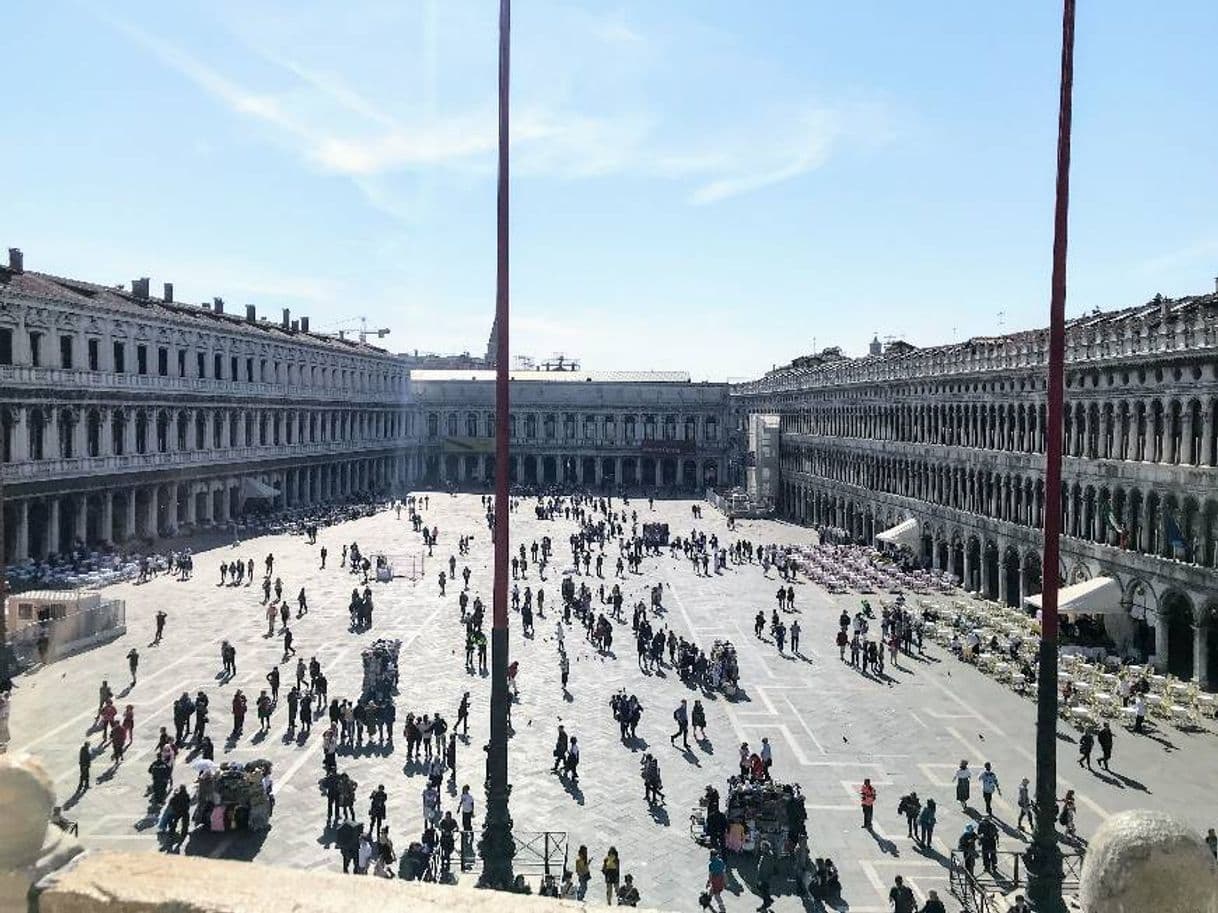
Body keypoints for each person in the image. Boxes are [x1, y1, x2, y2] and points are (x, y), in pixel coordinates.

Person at [756, 840, 777, 911]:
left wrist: (760, 879)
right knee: (764, 889)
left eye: (762, 847)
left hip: (764, 878)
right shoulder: (768, 854)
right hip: (767, 877)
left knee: (763, 890)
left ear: (766, 848)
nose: (761, 848)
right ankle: (769, 899)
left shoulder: (766, 856)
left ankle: (765, 905)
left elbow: (764, 869)